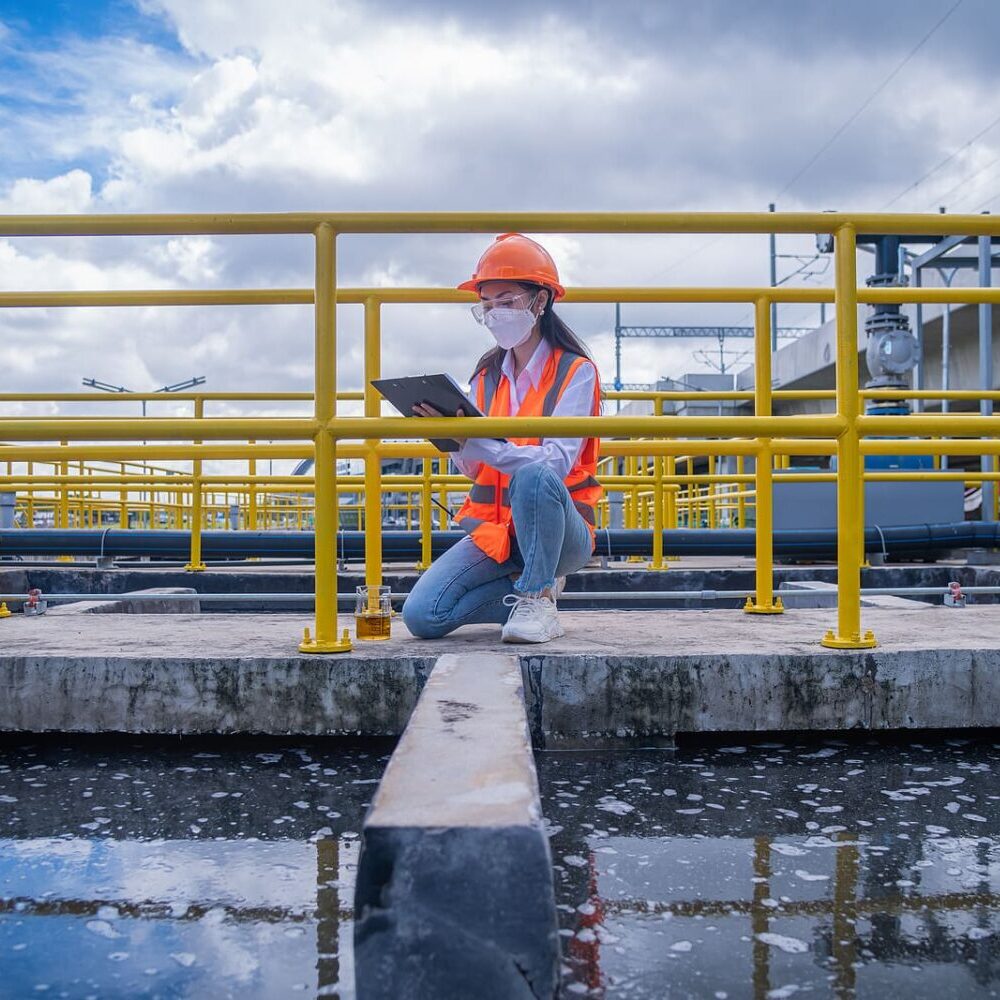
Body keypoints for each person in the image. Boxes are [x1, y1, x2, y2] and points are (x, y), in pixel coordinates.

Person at [401, 233, 602, 643]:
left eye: (506, 301)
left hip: (562, 534)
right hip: (498, 533)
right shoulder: (485, 377)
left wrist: (480, 443)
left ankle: (538, 595)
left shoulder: (576, 372)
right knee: (423, 616)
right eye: (487, 305)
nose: (495, 314)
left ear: (541, 301)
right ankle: (527, 589)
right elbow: (475, 469)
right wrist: (454, 440)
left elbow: (555, 465)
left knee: (535, 474)